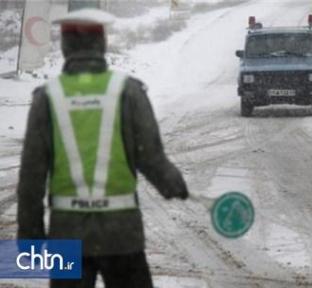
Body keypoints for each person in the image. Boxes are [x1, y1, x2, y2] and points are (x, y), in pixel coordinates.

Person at [16, 8, 189, 288]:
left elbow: (31, 177)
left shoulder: (47, 97)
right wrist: (173, 185)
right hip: (122, 234)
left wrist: (31, 240)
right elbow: (151, 156)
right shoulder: (128, 91)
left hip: (67, 235)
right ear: (102, 45)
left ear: (65, 47)